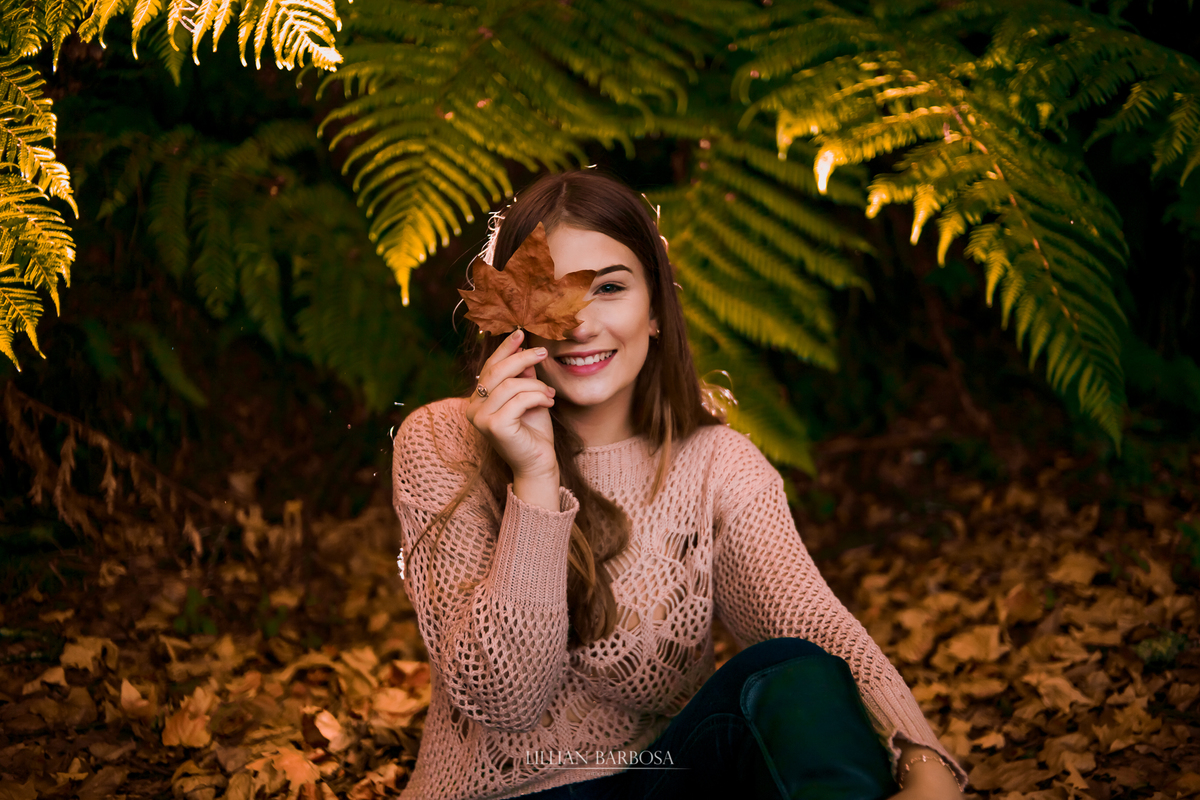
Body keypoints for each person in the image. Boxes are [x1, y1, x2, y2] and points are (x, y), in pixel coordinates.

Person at [390, 170, 969, 800]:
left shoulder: (715, 463)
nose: (579, 324)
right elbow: (502, 698)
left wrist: (923, 761)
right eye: (548, 294)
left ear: (658, 309)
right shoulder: (443, 441)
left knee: (788, 669)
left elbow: (810, 624)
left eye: (609, 288)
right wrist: (533, 477)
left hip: (661, 785)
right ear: (508, 315)